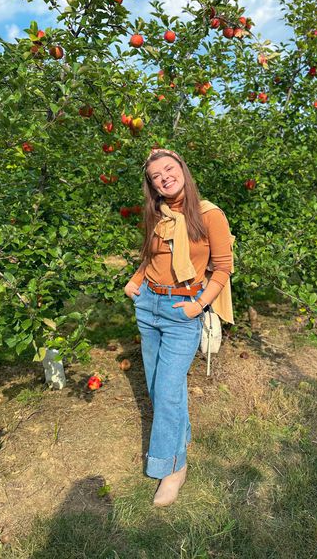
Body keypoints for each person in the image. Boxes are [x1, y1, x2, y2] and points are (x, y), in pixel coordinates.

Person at [124, 148, 234, 507]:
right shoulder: (158, 214)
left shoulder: (208, 214)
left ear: (183, 170)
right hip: (149, 305)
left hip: (181, 309)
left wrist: (198, 306)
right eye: (156, 176)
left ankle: (172, 468)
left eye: (169, 170)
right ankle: (180, 437)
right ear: (152, 186)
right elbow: (151, 255)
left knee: (168, 391)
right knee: (159, 388)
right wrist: (136, 279)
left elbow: (222, 267)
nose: (164, 177)